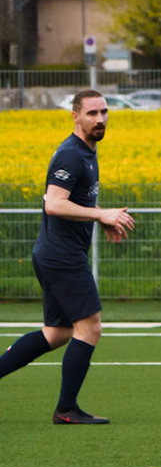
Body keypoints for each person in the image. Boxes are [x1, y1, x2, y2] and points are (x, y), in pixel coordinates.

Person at [0, 89, 135, 423]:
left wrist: (99, 217)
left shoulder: (88, 151)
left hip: (55, 253)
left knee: (57, 333)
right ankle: (67, 409)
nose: (100, 119)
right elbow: (54, 204)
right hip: (61, 256)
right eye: (92, 113)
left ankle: (66, 408)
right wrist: (101, 215)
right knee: (90, 327)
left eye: (104, 112)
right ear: (75, 116)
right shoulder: (72, 154)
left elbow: (75, 204)